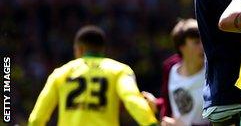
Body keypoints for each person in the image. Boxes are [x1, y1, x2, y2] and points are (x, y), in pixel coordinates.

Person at [28, 25, 158, 126]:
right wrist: (151, 123)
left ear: (79, 49)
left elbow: (37, 118)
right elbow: (132, 100)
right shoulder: (119, 71)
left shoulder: (60, 73)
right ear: (102, 49)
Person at [142, 19, 210, 126]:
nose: (202, 46)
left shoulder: (213, 71)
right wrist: (157, 104)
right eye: (196, 42)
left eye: (203, 40)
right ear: (182, 47)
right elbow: (174, 105)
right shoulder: (170, 70)